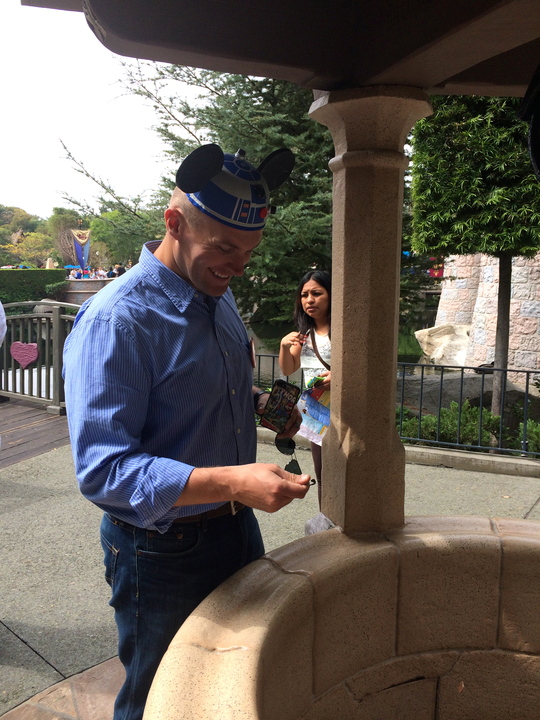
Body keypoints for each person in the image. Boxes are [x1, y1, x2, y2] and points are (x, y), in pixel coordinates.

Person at [63, 144, 308, 720]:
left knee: (231, 678)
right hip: (160, 550)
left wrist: (262, 407)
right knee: (159, 699)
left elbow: (206, 390)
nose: (237, 264)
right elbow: (103, 471)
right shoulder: (116, 320)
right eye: (223, 246)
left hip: (235, 529)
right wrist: (231, 481)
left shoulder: (215, 296)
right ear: (174, 222)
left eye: (247, 251)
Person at [279, 270, 331, 506]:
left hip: (342, 409)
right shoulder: (304, 334)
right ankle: (328, 520)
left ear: (331, 295)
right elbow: (289, 369)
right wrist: (283, 345)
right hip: (316, 412)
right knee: (323, 474)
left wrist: (340, 376)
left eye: (317, 293)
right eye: (304, 295)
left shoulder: (342, 331)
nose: (309, 300)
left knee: (342, 469)